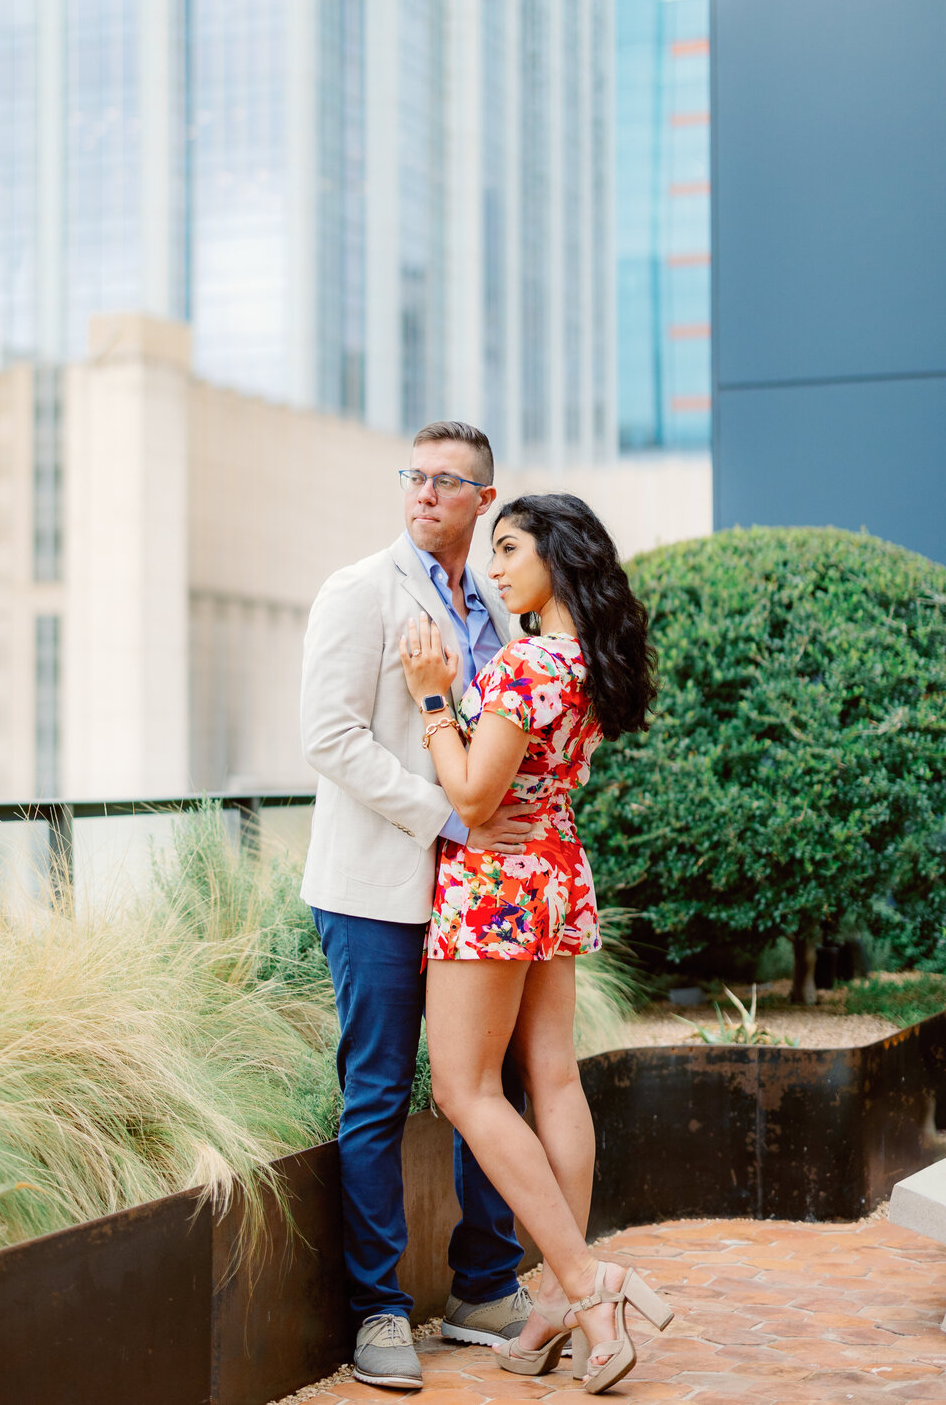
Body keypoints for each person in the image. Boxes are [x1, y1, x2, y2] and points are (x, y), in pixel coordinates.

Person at [399, 492, 672, 1397]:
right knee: (552, 1073)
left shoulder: (523, 664)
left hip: (496, 879)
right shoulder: (590, 663)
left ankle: (587, 1286)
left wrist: (436, 699)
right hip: (557, 868)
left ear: (558, 554)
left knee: (465, 1088)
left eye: (512, 548)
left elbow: (474, 799)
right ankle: (564, 1290)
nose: (499, 565)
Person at [300, 422, 539, 1392]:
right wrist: (447, 816)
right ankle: (379, 1311)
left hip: (476, 896)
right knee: (377, 1094)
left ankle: (484, 1284)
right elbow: (328, 736)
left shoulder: (496, 602)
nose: (426, 491)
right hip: (377, 890)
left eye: (450, 481)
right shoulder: (359, 590)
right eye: (417, 475)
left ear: (486, 500)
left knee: (490, 1083)